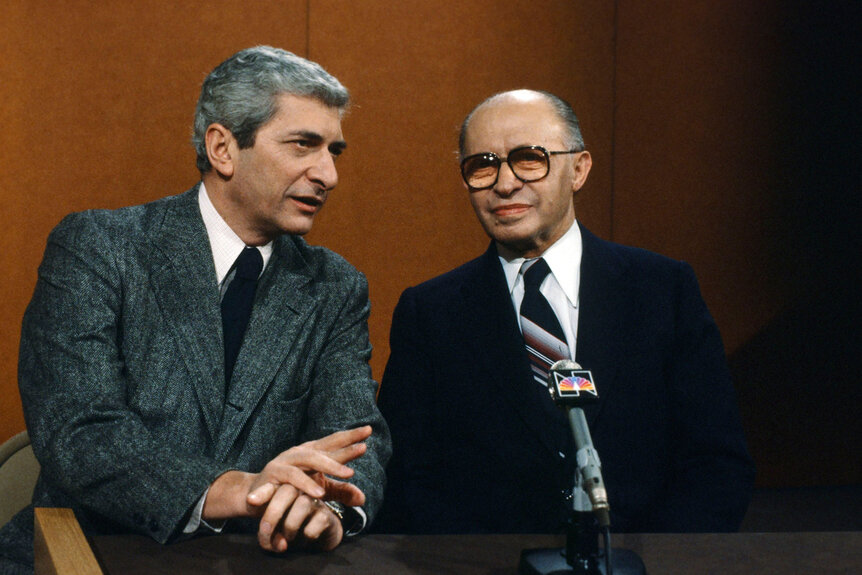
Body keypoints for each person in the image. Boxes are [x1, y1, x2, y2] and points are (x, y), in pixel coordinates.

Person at [0, 46, 390, 573]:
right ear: (223, 148)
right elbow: (79, 430)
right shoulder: (98, 247)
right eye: (304, 145)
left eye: (334, 151)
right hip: (86, 554)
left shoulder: (336, 285)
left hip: (258, 559)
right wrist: (235, 489)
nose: (328, 174)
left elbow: (357, 436)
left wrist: (325, 505)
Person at [375, 89, 754, 535]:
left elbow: (715, 463)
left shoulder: (663, 290)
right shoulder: (430, 312)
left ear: (579, 169)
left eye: (528, 158)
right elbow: (406, 479)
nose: (504, 183)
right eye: (482, 165)